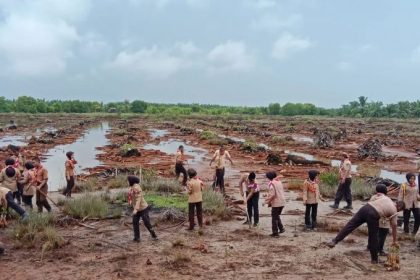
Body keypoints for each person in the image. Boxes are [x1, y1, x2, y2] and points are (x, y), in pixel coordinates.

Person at [327, 184, 405, 264]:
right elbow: (394, 226)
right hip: (373, 214)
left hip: (365, 208)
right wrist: (394, 240)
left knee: (350, 225)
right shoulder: (395, 210)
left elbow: (379, 194)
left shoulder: (387, 198)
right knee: (373, 236)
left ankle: (334, 241)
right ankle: (374, 259)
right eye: (400, 211)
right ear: (399, 208)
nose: (398, 212)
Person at [127, 175, 157, 242]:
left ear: (131, 181)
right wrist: (131, 204)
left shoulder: (137, 187)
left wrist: (135, 209)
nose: (127, 182)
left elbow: (138, 199)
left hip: (143, 208)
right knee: (135, 222)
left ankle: (154, 235)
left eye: (128, 181)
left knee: (147, 223)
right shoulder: (131, 187)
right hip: (136, 209)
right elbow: (131, 198)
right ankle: (137, 238)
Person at [369, 185, 390, 256]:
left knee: (373, 234)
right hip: (382, 219)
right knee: (382, 235)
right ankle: (380, 250)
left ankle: (369, 246)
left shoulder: (373, 197)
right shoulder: (386, 198)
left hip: (372, 218)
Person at [265, 171, 285, 237]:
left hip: (276, 202)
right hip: (282, 201)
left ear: (269, 177)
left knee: (274, 218)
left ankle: (275, 233)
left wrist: (266, 201)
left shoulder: (271, 183)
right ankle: (281, 228)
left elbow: (272, 194)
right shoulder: (279, 181)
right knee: (276, 216)